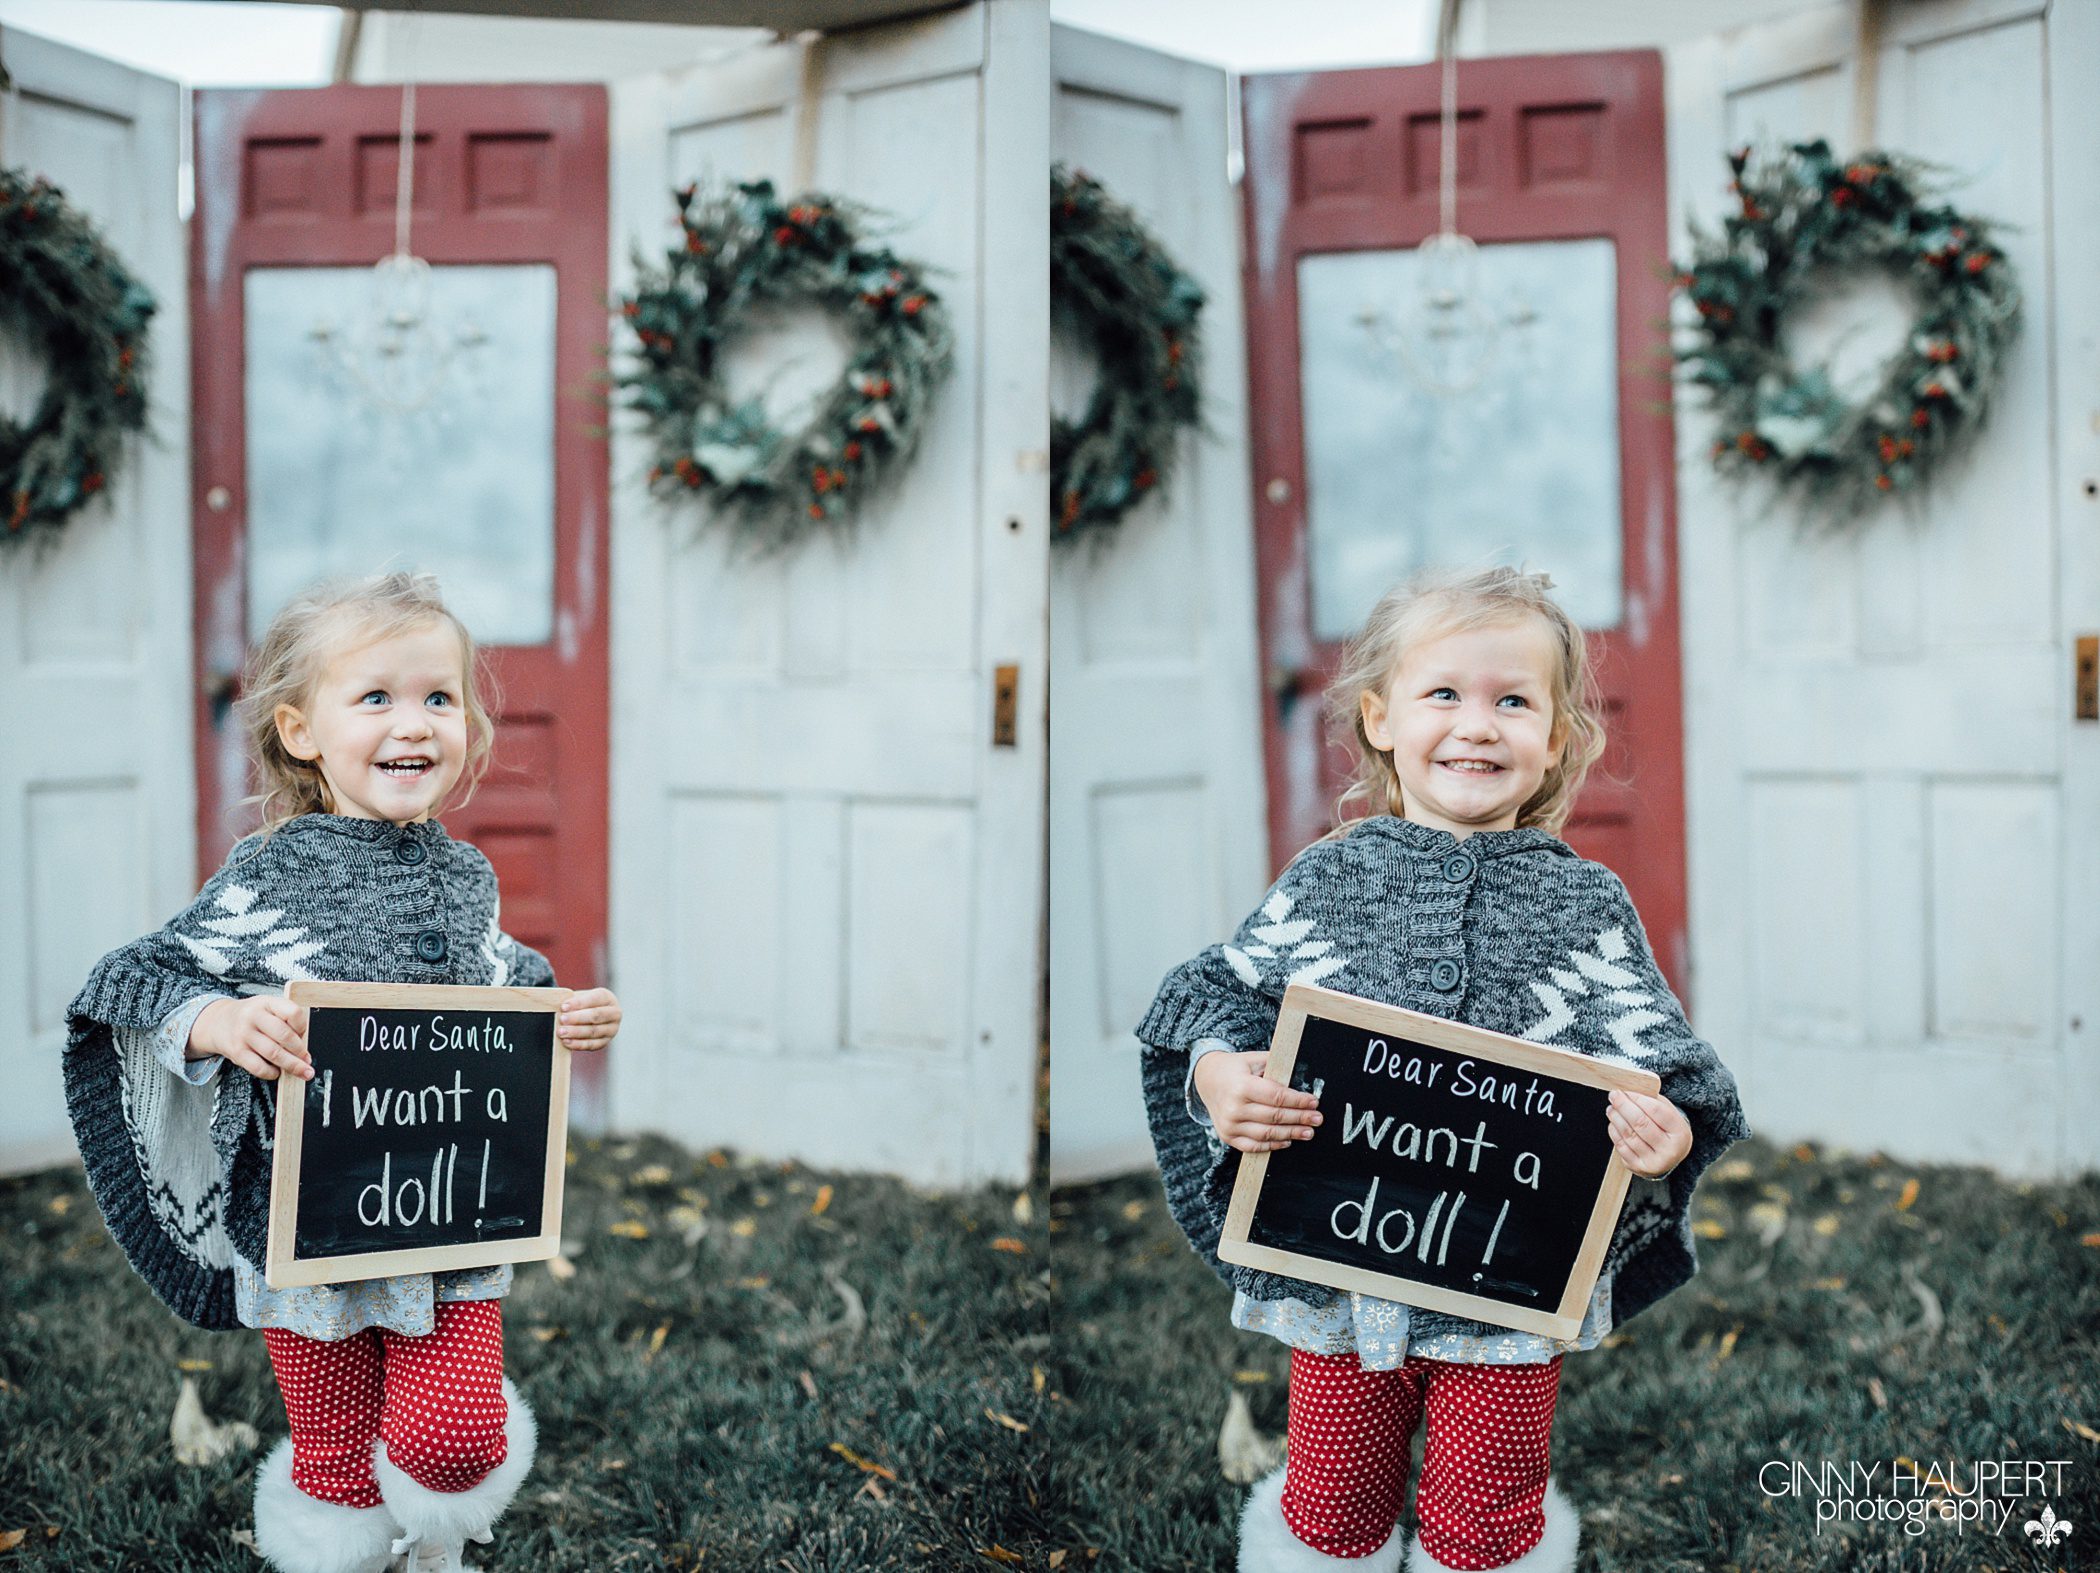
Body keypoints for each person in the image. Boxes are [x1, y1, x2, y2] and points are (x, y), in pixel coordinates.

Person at [1135, 565, 1750, 1573]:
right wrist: (1220, 1077)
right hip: (1340, 1273)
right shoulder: (1334, 879)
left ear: (1555, 738)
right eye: (1444, 695)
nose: (1478, 724)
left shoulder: (1583, 908)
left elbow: (1663, 1063)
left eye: (1514, 700)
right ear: (1380, 719)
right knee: (1332, 1498)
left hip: (1508, 1288)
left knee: (1488, 1509)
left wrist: (1664, 1130)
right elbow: (1217, 993)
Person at [63, 571, 622, 1573]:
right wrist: (222, 1018)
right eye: (376, 697)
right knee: (337, 1458)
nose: (414, 723)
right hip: (307, 1232)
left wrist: (560, 1006)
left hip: (444, 1222)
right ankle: (359, 1555)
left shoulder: (464, 877)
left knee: (453, 1436)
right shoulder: (269, 879)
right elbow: (136, 978)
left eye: (437, 698)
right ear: (300, 731)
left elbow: (496, 983)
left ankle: (438, 1534)